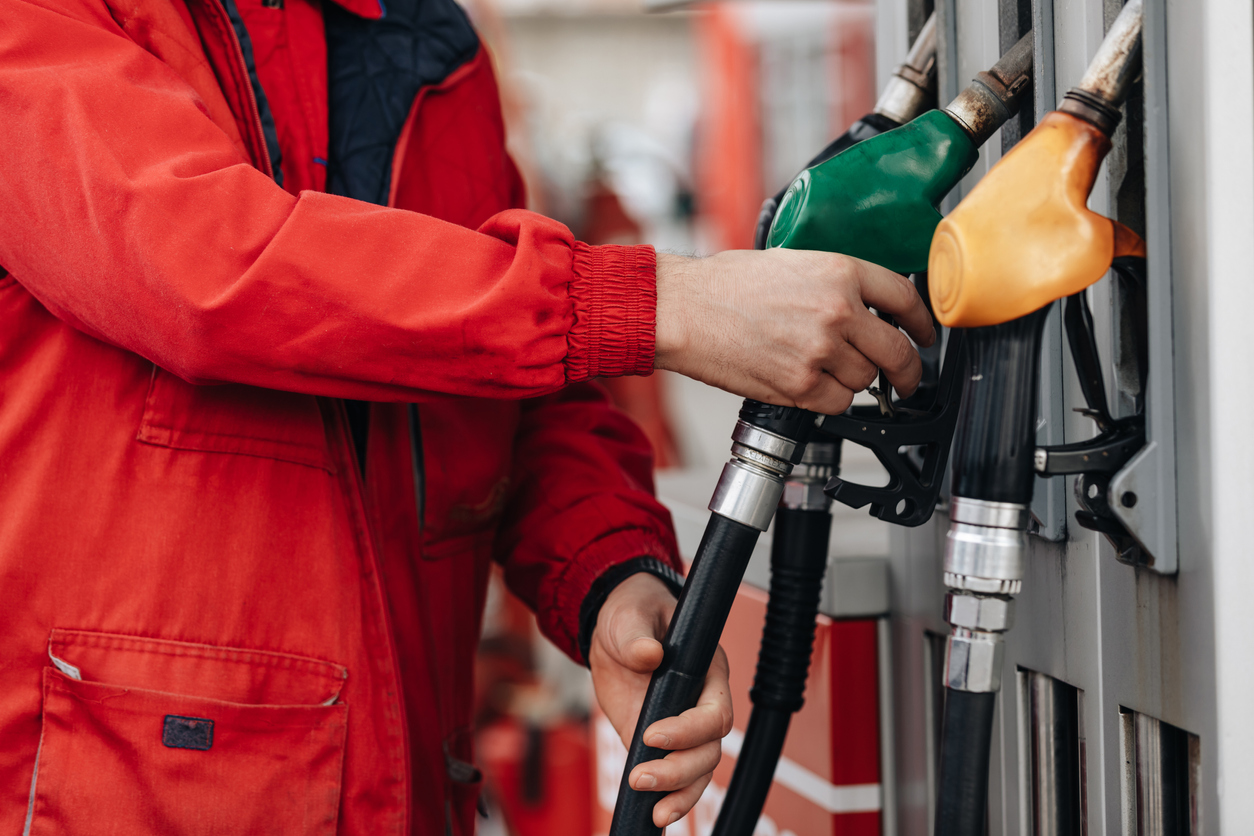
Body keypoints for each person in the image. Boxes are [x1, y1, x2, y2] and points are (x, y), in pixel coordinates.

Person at [0, 0, 934, 832]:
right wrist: (654, 307)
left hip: (403, 777)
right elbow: (205, 267)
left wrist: (613, 578)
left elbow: (504, 381)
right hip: (121, 792)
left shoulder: (429, 49)